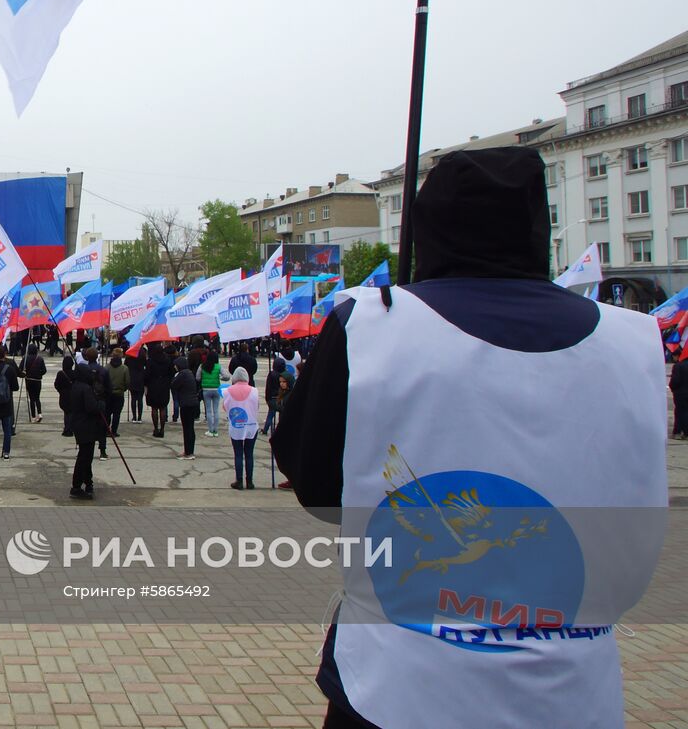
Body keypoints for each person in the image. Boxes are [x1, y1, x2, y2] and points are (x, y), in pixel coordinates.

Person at [273, 147, 668, 729]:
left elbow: (316, 486)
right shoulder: (638, 340)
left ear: (430, 226)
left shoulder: (371, 326)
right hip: (571, 690)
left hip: (396, 687)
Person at [66, 362, 103, 500]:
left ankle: (88, 482)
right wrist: (100, 404)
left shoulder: (75, 386)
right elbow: (91, 407)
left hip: (79, 424)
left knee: (85, 456)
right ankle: (76, 486)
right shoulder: (85, 388)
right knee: (84, 457)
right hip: (86, 425)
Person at [221, 369, 258, 488]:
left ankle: (239, 480)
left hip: (236, 425)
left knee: (238, 453)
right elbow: (256, 406)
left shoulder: (227, 391)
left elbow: (225, 407)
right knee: (249, 454)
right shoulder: (254, 391)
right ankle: (250, 481)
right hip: (251, 425)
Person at [172, 357, 201, 460]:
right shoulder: (189, 373)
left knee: (187, 429)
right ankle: (189, 450)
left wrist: (175, 377)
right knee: (189, 428)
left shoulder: (183, 374)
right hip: (192, 403)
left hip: (186, 404)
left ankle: (189, 452)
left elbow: (174, 385)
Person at [144, 344, 172, 437]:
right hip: (164, 385)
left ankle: (156, 428)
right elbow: (171, 372)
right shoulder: (167, 360)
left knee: (154, 408)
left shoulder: (150, 361)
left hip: (153, 385)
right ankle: (163, 429)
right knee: (163, 407)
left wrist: (146, 384)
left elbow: (147, 374)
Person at [198, 350, 226, 438]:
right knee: (216, 410)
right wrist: (221, 378)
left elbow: (197, 377)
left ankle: (210, 430)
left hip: (206, 389)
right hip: (216, 389)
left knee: (209, 410)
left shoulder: (202, 366)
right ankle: (215, 430)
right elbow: (227, 376)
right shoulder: (218, 367)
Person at [21, 343, 48, 423]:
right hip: (37, 380)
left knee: (31, 398)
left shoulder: (25, 358)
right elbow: (44, 370)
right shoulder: (40, 359)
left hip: (29, 380)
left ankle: (33, 416)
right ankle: (39, 413)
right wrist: (39, 374)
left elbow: (20, 368)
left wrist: (25, 373)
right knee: (37, 398)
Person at [262, 354, 286, 437]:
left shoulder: (272, 374)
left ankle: (266, 429)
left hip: (272, 397)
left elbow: (268, 387)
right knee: (280, 414)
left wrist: (267, 398)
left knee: (271, 414)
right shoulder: (283, 375)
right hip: (280, 397)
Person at [106, 350, 128, 437]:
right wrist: (123, 389)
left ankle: (107, 429)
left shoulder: (107, 368)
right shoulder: (124, 368)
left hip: (108, 394)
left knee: (107, 413)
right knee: (117, 414)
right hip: (119, 393)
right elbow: (127, 382)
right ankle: (114, 431)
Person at [54, 356, 75, 436]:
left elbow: (56, 385)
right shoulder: (74, 373)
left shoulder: (60, 373)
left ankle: (67, 428)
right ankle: (69, 429)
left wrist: (61, 391)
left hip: (63, 395)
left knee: (67, 412)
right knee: (70, 413)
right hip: (72, 395)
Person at [126, 348, 146, 423]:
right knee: (140, 399)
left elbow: (126, 365)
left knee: (133, 398)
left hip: (132, 377)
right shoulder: (142, 353)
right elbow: (145, 364)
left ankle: (134, 417)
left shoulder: (130, 353)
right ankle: (139, 417)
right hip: (140, 377)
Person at [672, 351, 688, 440]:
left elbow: (675, 380)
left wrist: (672, 388)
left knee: (679, 412)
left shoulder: (678, 366)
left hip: (680, 393)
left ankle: (678, 431)